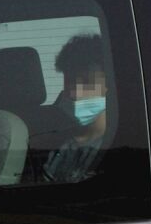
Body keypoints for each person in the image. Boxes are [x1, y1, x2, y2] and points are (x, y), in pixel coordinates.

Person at [42, 34, 107, 183]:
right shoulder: (62, 147)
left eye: (86, 82)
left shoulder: (120, 143)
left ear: (110, 84)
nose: (75, 93)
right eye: (70, 82)